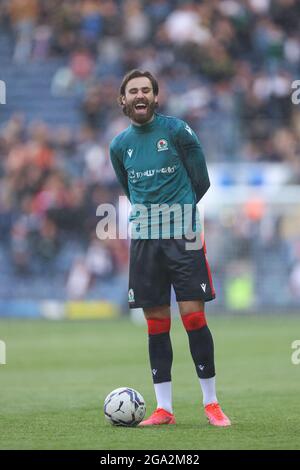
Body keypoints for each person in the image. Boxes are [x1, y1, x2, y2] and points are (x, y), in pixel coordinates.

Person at [110, 69, 231, 427]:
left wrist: (178, 212)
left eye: (146, 89)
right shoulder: (119, 145)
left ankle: (211, 403)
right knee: (156, 323)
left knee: (193, 315)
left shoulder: (177, 131)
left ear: (156, 97)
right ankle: (164, 409)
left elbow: (201, 180)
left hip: (183, 236)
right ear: (123, 100)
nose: (140, 95)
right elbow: (129, 189)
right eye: (133, 91)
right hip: (145, 240)